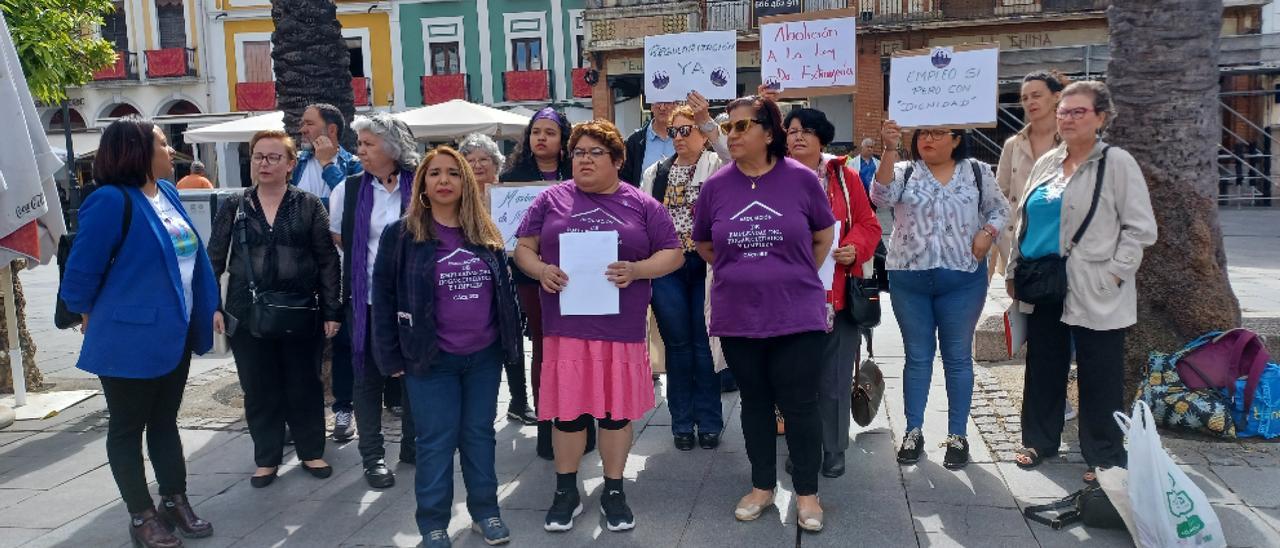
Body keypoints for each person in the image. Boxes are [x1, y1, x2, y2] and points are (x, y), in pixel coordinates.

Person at [514, 119, 682, 533]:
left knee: (614, 414)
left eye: (595, 153)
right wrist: (540, 270)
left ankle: (613, 490)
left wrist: (638, 268)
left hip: (619, 330)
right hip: (565, 327)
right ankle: (565, 490)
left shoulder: (642, 204)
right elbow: (523, 248)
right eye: (579, 153)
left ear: (617, 160)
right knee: (567, 415)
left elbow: (674, 254)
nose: (584, 160)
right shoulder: (550, 200)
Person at [60, 117, 218, 547]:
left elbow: (192, 258)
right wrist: (87, 313)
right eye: (164, 144)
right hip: (128, 338)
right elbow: (80, 274)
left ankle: (174, 499)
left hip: (175, 331)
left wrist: (210, 307)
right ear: (138, 153)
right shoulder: (110, 201)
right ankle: (141, 515)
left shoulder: (167, 191)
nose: (171, 151)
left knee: (165, 421)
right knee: (127, 429)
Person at [692, 96, 835, 533]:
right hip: (738, 315)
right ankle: (761, 486)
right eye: (728, 127)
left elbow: (822, 235)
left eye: (740, 127)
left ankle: (808, 493)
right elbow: (705, 244)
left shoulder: (801, 179)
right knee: (753, 404)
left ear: (768, 133)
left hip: (797, 315)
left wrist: (788, 274)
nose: (730, 135)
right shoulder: (717, 185)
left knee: (800, 405)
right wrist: (745, 273)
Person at [372, 146, 522, 547]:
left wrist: (509, 347)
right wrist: (390, 357)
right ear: (422, 183)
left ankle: (486, 512)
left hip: (483, 358)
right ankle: (434, 522)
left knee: (479, 436)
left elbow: (504, 296)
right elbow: (383, 298)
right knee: (435, 441)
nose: (444, 181)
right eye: (435, 173)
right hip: (430, 358)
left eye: (453, 173)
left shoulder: (485, 232)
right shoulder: (401, 236)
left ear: (466, 182)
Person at [1008, 82, 1157, 484]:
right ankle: (1039, 440)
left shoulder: (1116, 163)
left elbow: (1141, 228)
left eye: (1079, 112)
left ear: (1100, 118)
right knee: (1043, 366)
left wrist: (1114, 273)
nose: (1068, 118)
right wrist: (1012, 270)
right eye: (1064, 112)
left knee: (1100, 373)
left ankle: (1104, 454)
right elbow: (1024, 221)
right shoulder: (1047, 163)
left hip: (1095, 285)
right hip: (1044, 283)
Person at [873, 121, 1011, 470]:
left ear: (957, 139)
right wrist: (890, 149)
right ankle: (913, 430)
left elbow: (1000, 209)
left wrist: (988, 231)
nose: (927, 140)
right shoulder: (904, 171)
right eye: (922, 134)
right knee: (917, 357)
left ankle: (957, 435)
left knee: (958, 357)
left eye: (937, 133)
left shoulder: (978, 172)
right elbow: (880, 196)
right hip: (909, 279)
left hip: (962, 279)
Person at [208, 130, 342, 488]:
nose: (264, 163)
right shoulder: (234, 206)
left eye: (273, 157)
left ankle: (311, 450)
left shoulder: (309, 204)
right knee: (258, 386)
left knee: (304, 384)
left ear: (290, 164)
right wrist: (213, 306)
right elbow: (214, 258)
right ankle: (266, 458)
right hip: (246, 313)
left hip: (300, 311)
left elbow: (327, 260)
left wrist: (332, 311)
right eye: (258, 157)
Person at [784, 108, 882, 478]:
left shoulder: (845, 177)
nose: (797, 136)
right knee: (795, 381)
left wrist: (855, 248)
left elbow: (870, 225)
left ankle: (834, 447)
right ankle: (802, 446)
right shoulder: (774, 178)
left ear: (822, 137)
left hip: (837, 296)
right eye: (791, 130)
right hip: (789, 299)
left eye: (807, 130)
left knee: (835, 379)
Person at [328, 113, 420, 488]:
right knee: (367, 380)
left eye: (367, 144)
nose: (359, 151)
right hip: (365, 303)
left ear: (392, 148)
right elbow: (341, 240)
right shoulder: (347, 191)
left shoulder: (422, 188)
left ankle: (415, 447)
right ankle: (373, 457)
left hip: (415, 303)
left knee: (417, 376)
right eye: (360, 144)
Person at [500, 107, 594, 460]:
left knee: (580, 346)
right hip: (533, 275)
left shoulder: (582, 173)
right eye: (536, 132)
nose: (541, 138)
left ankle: (583, 423)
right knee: (544, 347)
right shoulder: (512, 177)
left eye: (550, 132)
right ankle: (547, 427)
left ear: (563, 140)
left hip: (580, 273)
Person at [638, 94, 728, 452]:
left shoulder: (717, 165)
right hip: (668, 266)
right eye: (674, 131)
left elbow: (732, 153)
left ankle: (708, 421)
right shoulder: (654, 172)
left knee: (703, 344)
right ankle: (680, 423)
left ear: (702, 133)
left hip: (706, 264)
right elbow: (643, 219)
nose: (678, 137)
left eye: (686, 130)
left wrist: (709, 121)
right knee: (677, 345)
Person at [294, 102, 365, 441]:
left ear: (331, 130)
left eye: (309, 124)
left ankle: (343, 409)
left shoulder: (354, 165)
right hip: (301, 270)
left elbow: (354, 205)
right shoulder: (294, 164)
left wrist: (328, 167)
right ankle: (299, 417)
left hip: (343, 269)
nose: (302, 130)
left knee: (344, 341)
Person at [458, 132, 538, 426]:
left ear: (496, 163)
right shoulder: (456, 197)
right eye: (470, 160)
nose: (478, 166)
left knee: (512, 335)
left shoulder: (510, 193)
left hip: (510, 275)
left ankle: (518, 400)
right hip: (470, 279)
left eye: (484, 160)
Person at [994, 71, 1068, 284]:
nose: (1030, 102)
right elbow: (1000, 194)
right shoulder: (1013, 145)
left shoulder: (1072, 141)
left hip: (1060, 241)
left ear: (1056, 96)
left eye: (1036, 95)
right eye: (1025, 98)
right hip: (1020, 245)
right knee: (1023, 311)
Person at [619, 101, 677, 186]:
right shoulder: (634, 141)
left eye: (667, 103)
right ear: (651, 106)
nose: (662, 108)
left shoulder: (685, 138)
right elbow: (625, 181)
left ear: (676, 105)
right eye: (658, 102)